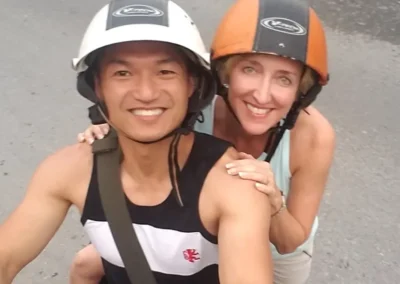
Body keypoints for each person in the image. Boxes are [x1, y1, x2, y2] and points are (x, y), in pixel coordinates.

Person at [0, 0, 275, 284]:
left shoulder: (233, 185)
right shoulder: (69, 170)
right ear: (98, 87)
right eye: (123, 73)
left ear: (191, 84)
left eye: (165, 72)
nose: (145, 93)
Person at [73, 0, 336, 283]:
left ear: (301, 91)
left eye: (284, 79)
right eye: (250, 70)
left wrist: (273, 201)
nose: (262, 95)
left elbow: (290, 241)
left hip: (276, 254)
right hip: (200, 233)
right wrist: (108, 132)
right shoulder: (193, 108)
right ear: (224, 73)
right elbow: (141, 123)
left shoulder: (314, 137)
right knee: (84, 266)